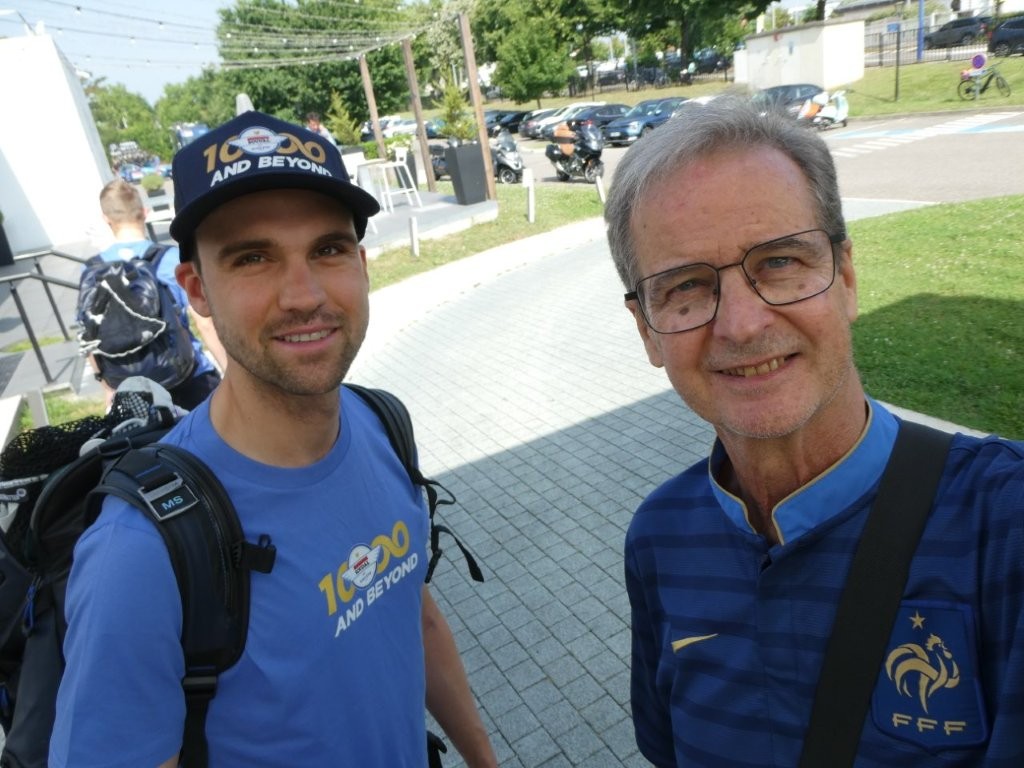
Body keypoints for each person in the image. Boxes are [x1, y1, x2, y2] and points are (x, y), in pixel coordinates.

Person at [51, 111, 497, 767]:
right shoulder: (138, 555)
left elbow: (413, 614)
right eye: (253, 258)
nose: (303, 295)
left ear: (361, 264)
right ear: (197, 290)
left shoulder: (380, 423)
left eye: (328, 249)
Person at [605, 95, 1024, 765]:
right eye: (685, 286)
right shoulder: (659, 540)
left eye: (779, 262)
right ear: (647, 330)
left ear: (846, 279)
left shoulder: (1002, 525)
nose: (742, 325)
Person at [90, 179, 226, 409]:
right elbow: (204, 323)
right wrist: (227, 368)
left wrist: (108, 388)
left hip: (129, 389)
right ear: (145, 212)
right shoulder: (171, 259)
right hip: (188, 378)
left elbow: (90, 336)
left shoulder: (93, 270)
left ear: (106, 219)